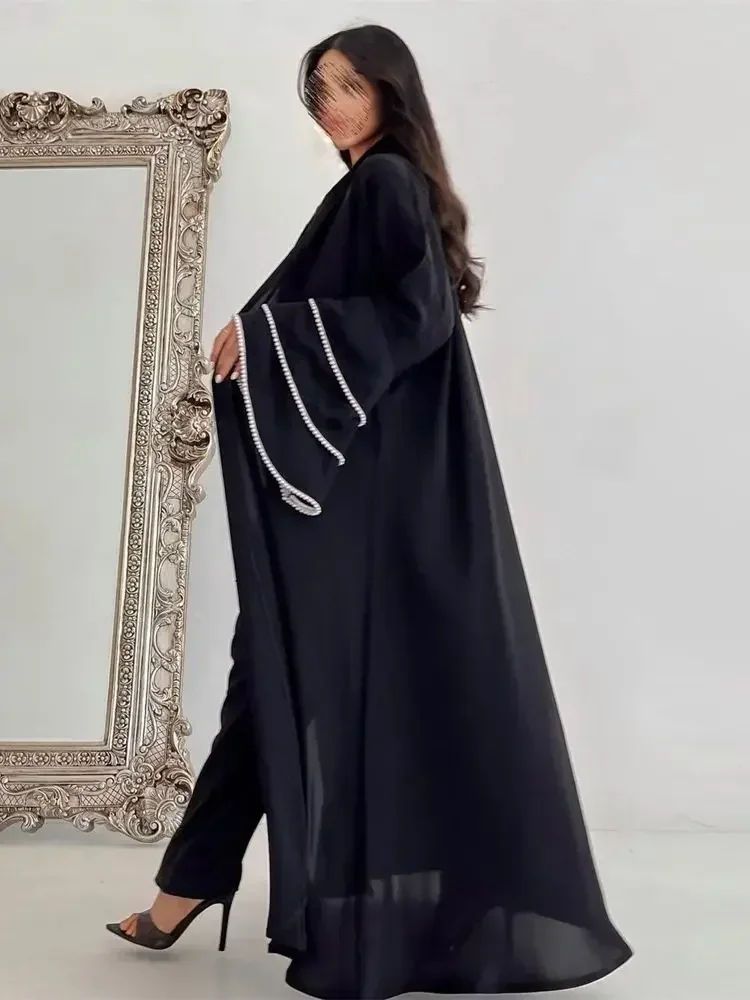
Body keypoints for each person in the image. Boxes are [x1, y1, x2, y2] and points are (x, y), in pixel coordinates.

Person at [108, 23, 632, 1000]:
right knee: (271, 676)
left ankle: (192, 889)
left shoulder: (385, 182)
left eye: (348, 85)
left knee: (279, 674)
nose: (331, 106)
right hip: (370, 497)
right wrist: (273, 336)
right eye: (319, 89)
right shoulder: (376, 186)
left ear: (393, 90)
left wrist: (266, 333)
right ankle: (189, 883)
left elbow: (417, 317)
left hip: (373, 508)